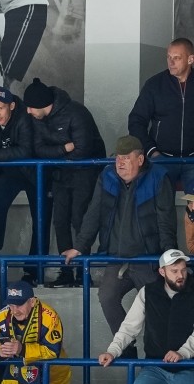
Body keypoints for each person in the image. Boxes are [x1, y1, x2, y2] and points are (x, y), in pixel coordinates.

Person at [62, 135, 176, 358]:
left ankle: (156, 358)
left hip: (148, 259)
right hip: (117, 258)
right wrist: (80, 246)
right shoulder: (107, 176)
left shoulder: (158, 177)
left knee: (158, 307)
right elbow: (94, 213)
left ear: (140, 159)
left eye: (126, 158)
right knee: (107, 296)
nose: (120, 163)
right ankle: (127, 349)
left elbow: (166, 222)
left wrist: (167, 258)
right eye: (117, 158)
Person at [97, 249, 194, 384]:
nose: (181, 275)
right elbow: (129, 327)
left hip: (188, 366)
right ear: (162, 272)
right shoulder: (147, 292)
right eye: (174, 271)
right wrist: (112, 351)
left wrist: (183, 353)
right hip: (155, 366)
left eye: (183, 270)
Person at [27, 77, 105, 288]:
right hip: (60, 173)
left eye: (31, 107)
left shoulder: (76, 113)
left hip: (85, 173)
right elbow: (38, 150)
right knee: (60, 221)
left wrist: (58, 155)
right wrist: (64, 149)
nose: (28, 111)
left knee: (79, 219)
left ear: (43, 104)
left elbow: (83, 151)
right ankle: (67, 271)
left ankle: (82, 272)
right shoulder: (37, 118)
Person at [0, 86, 49, 284]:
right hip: (10, 171)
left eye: (0, 109)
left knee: (40, 219)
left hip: (35, 172)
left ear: (11, 106)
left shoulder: (24, 116)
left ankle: (34, 272)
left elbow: (25, 151)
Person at [128, 38, 194, 195]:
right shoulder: (154, 85)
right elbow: (136, 121)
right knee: (161, 206)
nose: (171, 62)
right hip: (162, 159)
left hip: (193, 160)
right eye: (168, 57)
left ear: (190, 59)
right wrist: (151, 151)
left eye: (177, 58)